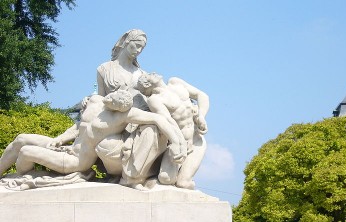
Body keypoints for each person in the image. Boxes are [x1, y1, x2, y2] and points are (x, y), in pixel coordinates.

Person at [13, 90, 186, 190]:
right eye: (115, 100)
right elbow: (79, 126)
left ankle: (26, 175)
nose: (114, 103)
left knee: (25, 151)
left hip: (76, 160)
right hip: (68, 146)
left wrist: (177, 142)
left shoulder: (124, 115)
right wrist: (60, 138)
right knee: (21, 139)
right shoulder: (96, 102)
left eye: (121, 105)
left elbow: (159, 119)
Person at [95, 29, 169, 187]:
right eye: (136, 45)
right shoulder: (104, 69)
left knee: (151, 131)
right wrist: (90, 100)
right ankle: (132, 174)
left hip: (142, 123)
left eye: (142, 48)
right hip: (117, 125)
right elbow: (100, 99)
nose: (139, 50)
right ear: (126, 42)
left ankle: (133, 178)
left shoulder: (142, 74)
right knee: (105, 147)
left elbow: (154, 101)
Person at [136, 72, 209, 189]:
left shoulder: (175, 82)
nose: (153, 73)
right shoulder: (154, 100)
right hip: (181, 143)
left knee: (183, 183)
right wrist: (179, 144)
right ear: (146, 84)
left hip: (196, 140)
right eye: (148, 75)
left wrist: (201, 116)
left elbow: (202, 95)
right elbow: (168, 121)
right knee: (166, 179)